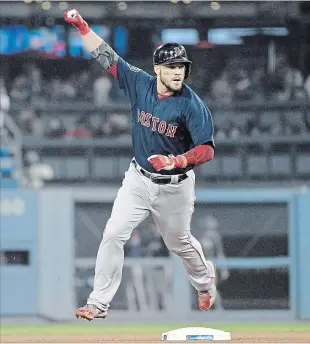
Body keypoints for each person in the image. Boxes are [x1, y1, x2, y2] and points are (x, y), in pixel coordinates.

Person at [64, 8, 217, 321]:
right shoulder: (140, 84)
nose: (178, 71)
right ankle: (98, 302)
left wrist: (179, 159)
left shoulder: (192, 105)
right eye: (172, 65)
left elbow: (207, 149)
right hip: (138, 179)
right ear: (158, 68)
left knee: (179, 242)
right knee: (114, 233)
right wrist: (82, 27)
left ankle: (204, 283)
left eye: (182, 66)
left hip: (175, 186)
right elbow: (106, 56)